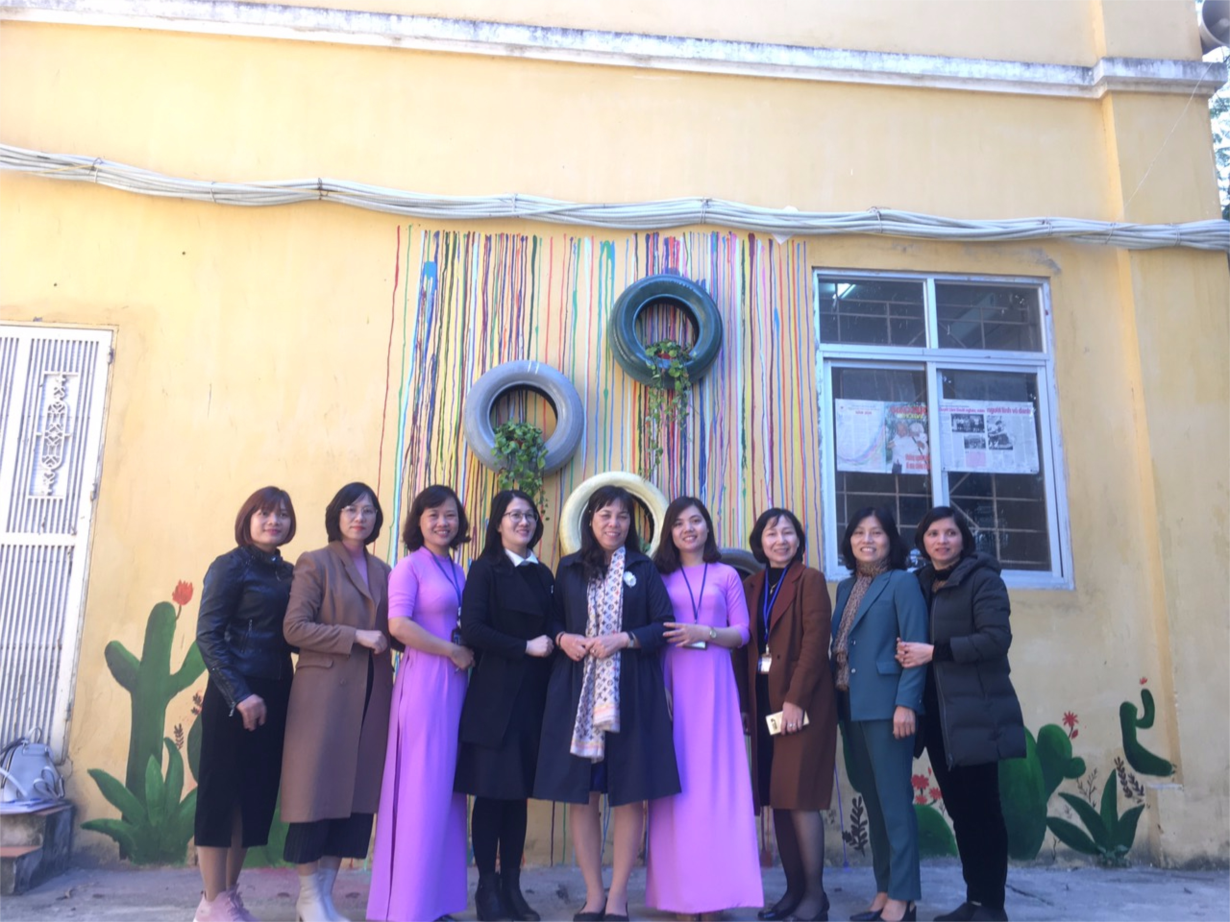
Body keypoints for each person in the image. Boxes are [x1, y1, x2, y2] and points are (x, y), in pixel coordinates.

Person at [534, 485, 680, 922]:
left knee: (629, 795)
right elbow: (552, 619)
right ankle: (594, 895)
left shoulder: (643, 568)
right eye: (605, 515)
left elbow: (664, 624)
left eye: (622, 516)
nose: (614, 524)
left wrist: (625, 639)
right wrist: (563, 637)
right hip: (577, 693)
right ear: (590, 520)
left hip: (631, 693)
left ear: (632, 524)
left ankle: (618, 897)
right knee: (583, 796)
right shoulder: (569, 567)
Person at [895, 508, 1025, 922]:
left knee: (984, 811)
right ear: (922, 541)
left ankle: (993, 906)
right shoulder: (921, 582)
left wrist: (935, 652)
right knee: (961, 812)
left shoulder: (983, 579)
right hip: (938, 717)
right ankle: (975, 900)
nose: (942, 540)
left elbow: (995, 639)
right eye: (933, 533)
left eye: (950, 533)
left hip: (976, 712)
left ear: (963, 539)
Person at [645, 497, 763, 921]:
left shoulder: (726, 574)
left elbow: (743, 633)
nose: (688, 529)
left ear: (708, 527)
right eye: (679, 523)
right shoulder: (657, 575)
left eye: (695, 521)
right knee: (676, 792)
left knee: (715, 789)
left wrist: (706, 632)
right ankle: (681, 897)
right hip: (671, 686)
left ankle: (714, 896)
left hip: (715, 688)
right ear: (669, 532)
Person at [281, 483, 393, 922]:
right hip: (323, 696)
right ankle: (308, 896)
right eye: (351, 509)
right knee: (315, 793)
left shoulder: (384, 570)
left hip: (371, 694)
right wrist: (354, 636)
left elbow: (394, 628)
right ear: (336, 514)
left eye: (368, 510)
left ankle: (323, 897)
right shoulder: (315, 562)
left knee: (354, 797)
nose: (359, 517)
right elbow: (294, 628)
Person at [368, 485, 475, 922]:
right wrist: (450, 651)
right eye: (433, 515)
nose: (442, 523)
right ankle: (407, 907)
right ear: (419, 521)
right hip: (425, 687)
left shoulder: (457, 569)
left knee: (447, 795)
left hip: (457, 688)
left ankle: (436, 902)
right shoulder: (409, 567)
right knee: (421, 792)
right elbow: (398, 625)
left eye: (450, 515)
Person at [193, 487, 297, 922]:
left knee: (251, 799)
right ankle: (211, 899)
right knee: (220, 795)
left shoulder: (289, 573)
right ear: (247, 519)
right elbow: (208, 635)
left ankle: (227, 895)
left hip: (276, 690)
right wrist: (240, 694)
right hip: (234, 692)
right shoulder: (230, 566)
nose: (273, 521)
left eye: (282, 515)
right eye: (264, 513)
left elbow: (296, 631)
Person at [455, 490, 556, 922]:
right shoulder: (485, 569)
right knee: (492, 795)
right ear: (498, 523)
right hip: (495, 699)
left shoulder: (542, 572)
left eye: (529, 515)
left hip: (534, 698)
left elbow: (554, 624)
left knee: (517, 797)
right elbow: (473, 629)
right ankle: (487, 890)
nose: (523, 522)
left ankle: (513, 888)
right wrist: (524, 647)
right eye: (514, 515)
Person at [736, 508, 838, 922]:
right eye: (771, 533)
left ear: (798, 539)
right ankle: (793, 891)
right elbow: (744, 648)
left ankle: (815, 894)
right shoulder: (752, 585)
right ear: (759, 542)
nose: (780, 540)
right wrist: (746, 706)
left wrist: (796, 699)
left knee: (799, 798)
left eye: (788, 532)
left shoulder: (809, 580)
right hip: (764, 700)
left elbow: (815, 643)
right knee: (777, 797)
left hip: (802, 703)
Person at [832, 507, 927, 922]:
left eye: (877, 532)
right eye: (859, 532)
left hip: (888, 707)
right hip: (850, 705)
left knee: (894, 803)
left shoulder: (902, 583)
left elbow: (915, 647)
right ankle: (884, 888)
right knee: (873, 802)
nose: (867, 540)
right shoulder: (845, 587)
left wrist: (906, 703)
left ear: (891, 539)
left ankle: (903, 897)